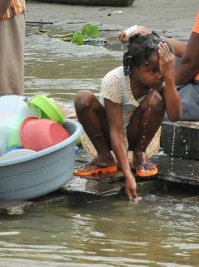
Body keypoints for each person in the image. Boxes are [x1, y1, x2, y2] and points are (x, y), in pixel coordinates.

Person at [73, 34, 181, 201]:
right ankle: (104, 157)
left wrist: (170, 77)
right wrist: (128, 176)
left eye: (161, 70)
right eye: (153, 71)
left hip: (137, 133)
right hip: (108, 134)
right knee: (83, 98)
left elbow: (175, 116)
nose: (159, 76)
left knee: (156, 99)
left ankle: (139, 155)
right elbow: (116, 131)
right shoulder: (115, 80)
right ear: (134, 68)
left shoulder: (162, 79)